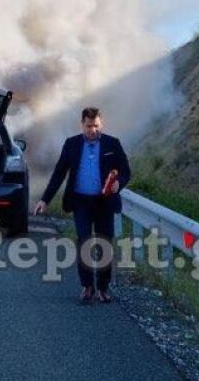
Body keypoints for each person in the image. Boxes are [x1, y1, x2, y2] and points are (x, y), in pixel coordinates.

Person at [34, 107, 131, 304]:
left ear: (101, 124)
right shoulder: (72, 144)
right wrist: (45, 199)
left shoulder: (113, 143)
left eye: (96, 126)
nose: (92, 130)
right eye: (88, 126)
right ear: (82, 124)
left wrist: (119, 182)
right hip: (81, 202)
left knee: (104, 244)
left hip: (104, 202)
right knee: (84, 241)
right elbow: (59, 173)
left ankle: (103, 288)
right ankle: (87, 287)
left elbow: (125, 170)